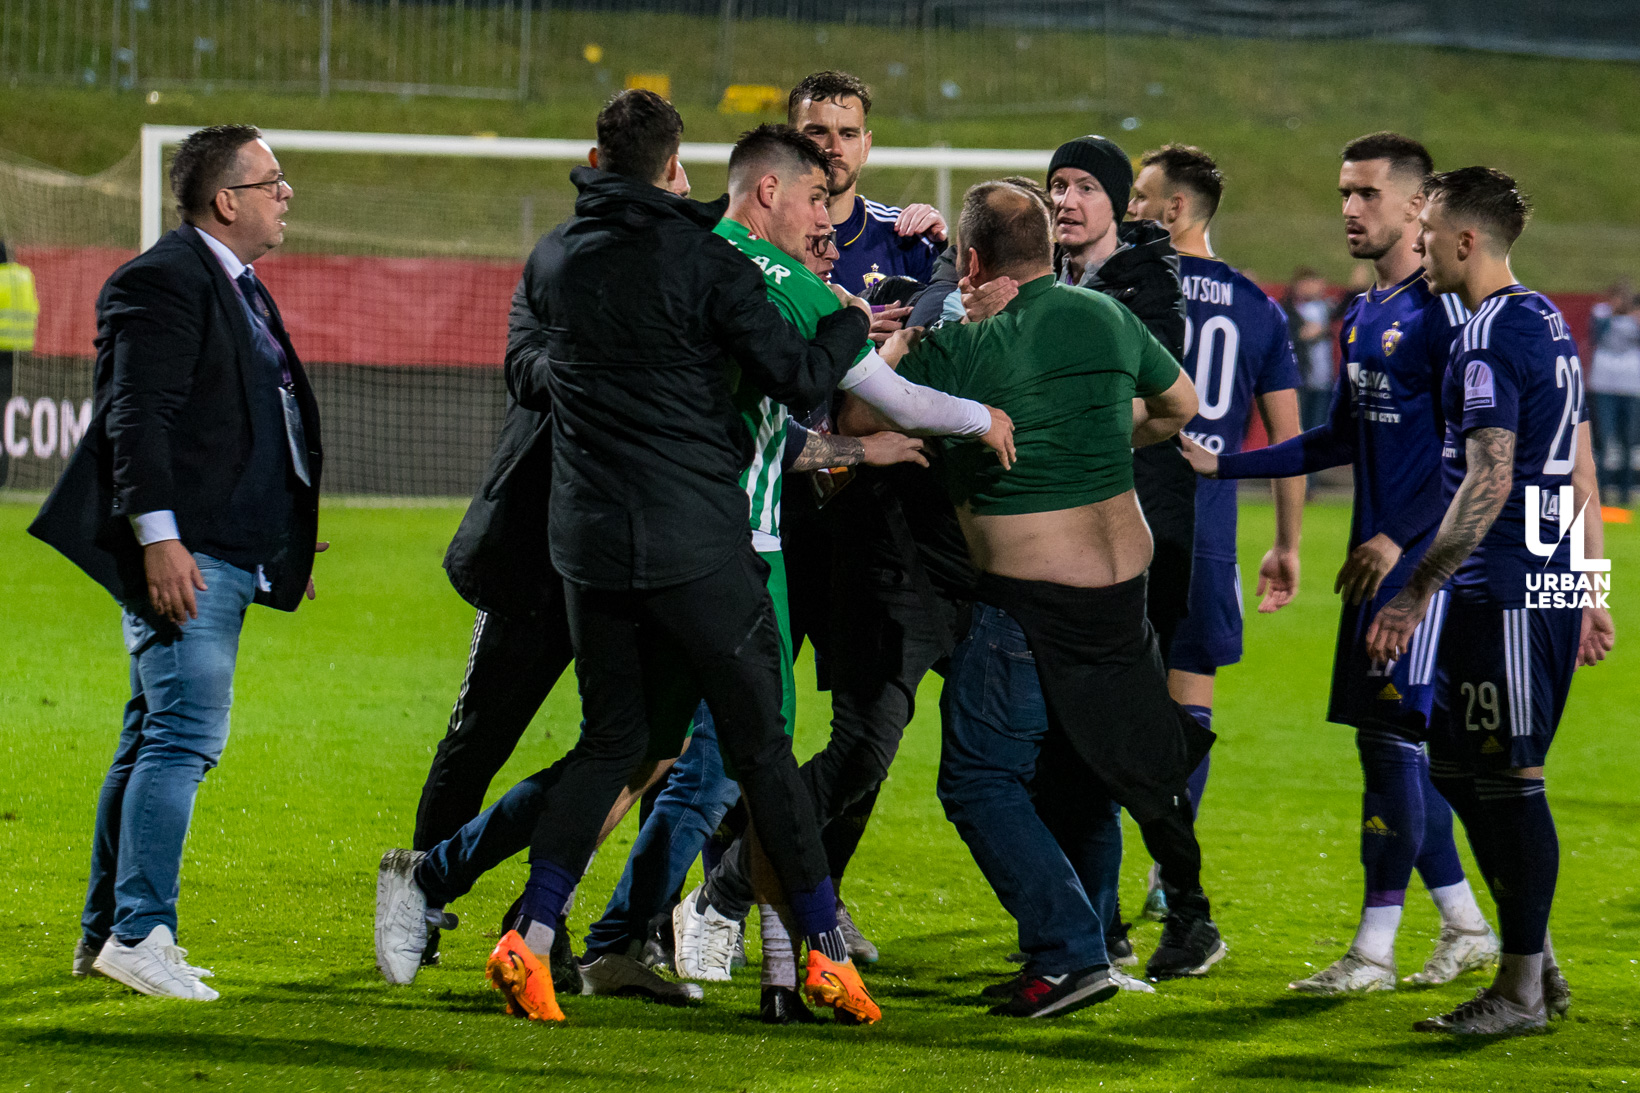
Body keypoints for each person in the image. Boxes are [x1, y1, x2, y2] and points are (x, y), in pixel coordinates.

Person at [1182, 133, 1498, 995]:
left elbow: (1474, 458)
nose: (1350, 210)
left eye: (1366, 194)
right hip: (1374, 563)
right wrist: (1224, 463)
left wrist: (1401, 537)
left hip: (1426, 567)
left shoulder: (1446, 315)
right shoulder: (1366, 312)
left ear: (1418, 205)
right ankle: (1466, 924)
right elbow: (1335, 438)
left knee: (1398, 744)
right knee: (1392, 747)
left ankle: (1375, 951)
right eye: (1343, 194)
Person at [897, 181, 1218, 1016]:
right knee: (1087, 773)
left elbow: (864, 410)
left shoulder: (967, 343)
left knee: (979, 779)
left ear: (971, 262)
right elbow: (1180, 407)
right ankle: (1098, 942)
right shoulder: (1104, 314)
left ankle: (1070, 949)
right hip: (1122, 600)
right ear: (1047, 248)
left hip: (1030, 605)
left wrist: (912, 335)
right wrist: (1098, 429)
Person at [29, 124, 323, 1001]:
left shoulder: (233, 284)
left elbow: (236, 424)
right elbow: (137, 417)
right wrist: (159, 537)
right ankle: (139, 930)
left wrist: (279, 533)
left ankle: (106, 932)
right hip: (187, 554)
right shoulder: (164, 278)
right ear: (226, 201)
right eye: (272, 181)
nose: (287, 194)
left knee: (149, 737)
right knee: (184, 736)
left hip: (224, 546)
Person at [1366, 166, 1615, 1034]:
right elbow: (1579, 466)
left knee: (1509, 779)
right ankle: (1532, 956)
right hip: (1539, 577)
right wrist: (1589, 585)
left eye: (1429, 228)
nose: (1418, 241)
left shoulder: (1484, 337)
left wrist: (1412, 595)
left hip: (1505, 585)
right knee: (1453, 765)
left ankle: (1520, 988)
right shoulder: (1546, 319)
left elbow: (1491, 477)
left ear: (1466, 240)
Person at [1125, 144, 1305, 922]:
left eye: (1140, 196)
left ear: (1175, 209)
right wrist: (1287, 543)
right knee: (1188, 703)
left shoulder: (1126, 285)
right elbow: (1290, 439)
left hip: (1119, 516)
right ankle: (1170, 877)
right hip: (1207, 531)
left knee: (1091, 697)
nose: (1130, 208)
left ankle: (1086, 896)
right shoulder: (1258, 304)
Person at [789, 70, 945, 296]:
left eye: (848, 134)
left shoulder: (907, 240)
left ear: (866, 146)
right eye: (818, 132)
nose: (835, 148)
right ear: (788, 142)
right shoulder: (760, 240)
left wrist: (948, 258)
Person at [1587, 287, 1640, 504]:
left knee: (1629, 441)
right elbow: (1596, 336)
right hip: (1604, 385)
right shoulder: (1602, 313)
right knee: (1603, 440)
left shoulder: (1635, 318)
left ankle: (1626, 494)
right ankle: (1600, 490)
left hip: (1631, 386)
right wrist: (1612, 314)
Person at [1286, 267, 1338, 431]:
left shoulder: (1326, 307)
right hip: (1302, 381)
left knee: (1318, 429)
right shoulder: (1289, 309)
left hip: (1324, 382)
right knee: (1299, 428)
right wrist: (1302, 335)